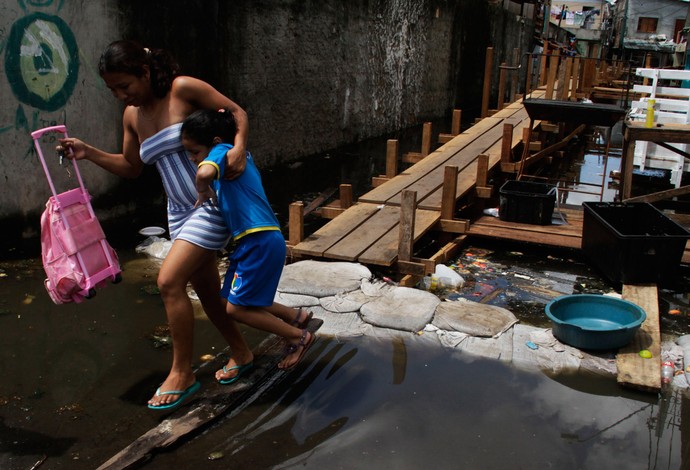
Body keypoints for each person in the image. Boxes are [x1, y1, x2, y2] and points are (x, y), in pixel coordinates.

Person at [57, 40, 295, 410]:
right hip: (179, 210)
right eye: (113, 90)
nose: (121, 96)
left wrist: (237, 148)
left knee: (168, 280)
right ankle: (241, 352)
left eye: (126, 85)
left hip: (213, 201)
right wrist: (88, 153)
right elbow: (131, 167)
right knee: (204, 286)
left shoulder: (182, 89)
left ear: (146, 72)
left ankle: (181, 374)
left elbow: (235, 112)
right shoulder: (132, 117)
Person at [181, 108, 316, 370]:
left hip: (259, 240)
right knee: (228, 300)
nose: (192, 159)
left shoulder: (224, 152)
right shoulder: (233, 159)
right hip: (253, 242)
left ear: (215, 143)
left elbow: (203, 174)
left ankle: (298, 337)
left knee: (236, 309)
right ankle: (295, 316)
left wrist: (203, 189)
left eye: (195, 152)